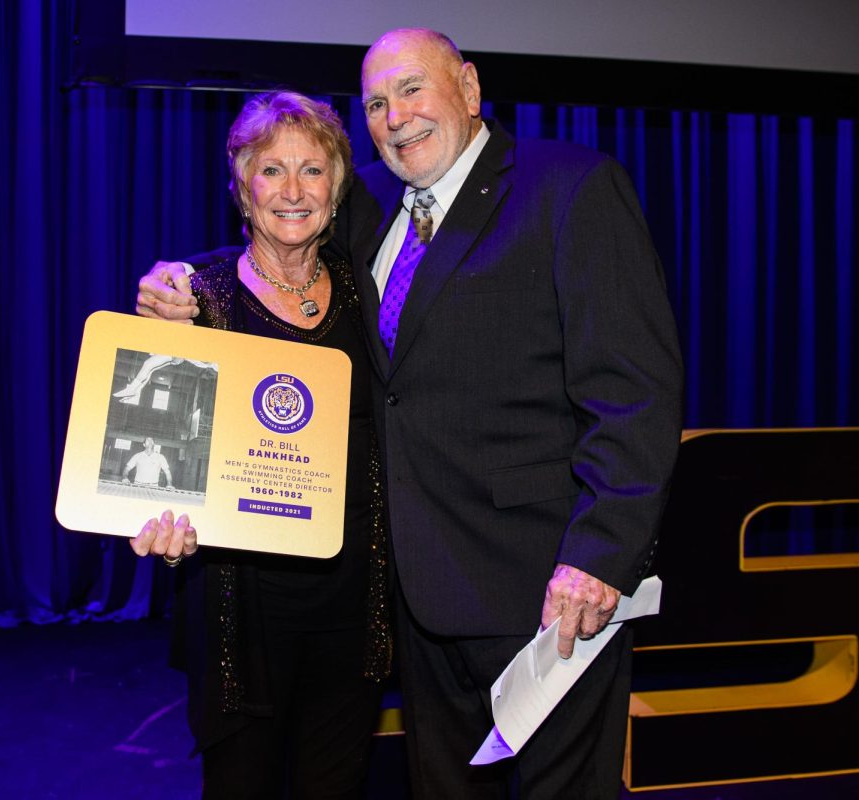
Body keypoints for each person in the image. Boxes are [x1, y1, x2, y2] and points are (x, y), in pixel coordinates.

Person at [137, 29, 683, 799]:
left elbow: (636, 392)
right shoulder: (370, 209)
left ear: (467, 87)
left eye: (412, 90)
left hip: (546, 589)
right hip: (414, 600)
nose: (396, 117)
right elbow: (279, 232)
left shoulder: (570, 188)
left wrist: (599, 557)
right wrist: (180, 279)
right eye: (376, 105)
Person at [128, 91, 391, 799]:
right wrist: (157, 516)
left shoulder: (371, 296)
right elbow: (155, 449)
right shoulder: (194, 298)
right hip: (239, 606)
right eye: (272, 170)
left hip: (353, 597)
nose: (294, 190)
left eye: (314, 169)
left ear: (338, 191)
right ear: (241, 188)